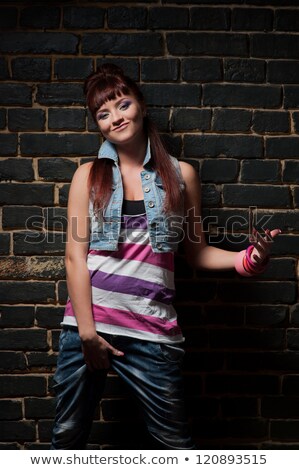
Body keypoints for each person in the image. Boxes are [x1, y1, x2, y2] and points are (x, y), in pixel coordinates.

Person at [51, 63, 281, 450]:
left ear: (140, 105)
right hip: (86, 330)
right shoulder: (86, 176)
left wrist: (250, 258)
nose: (115, 118)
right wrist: (88, 334)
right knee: (66, 440)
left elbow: (199, 253)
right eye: (102, 114)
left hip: (152, 334)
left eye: (122, 105)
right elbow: (75, 258)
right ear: (97, 124)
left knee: (175, 446)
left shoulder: (181, 174)